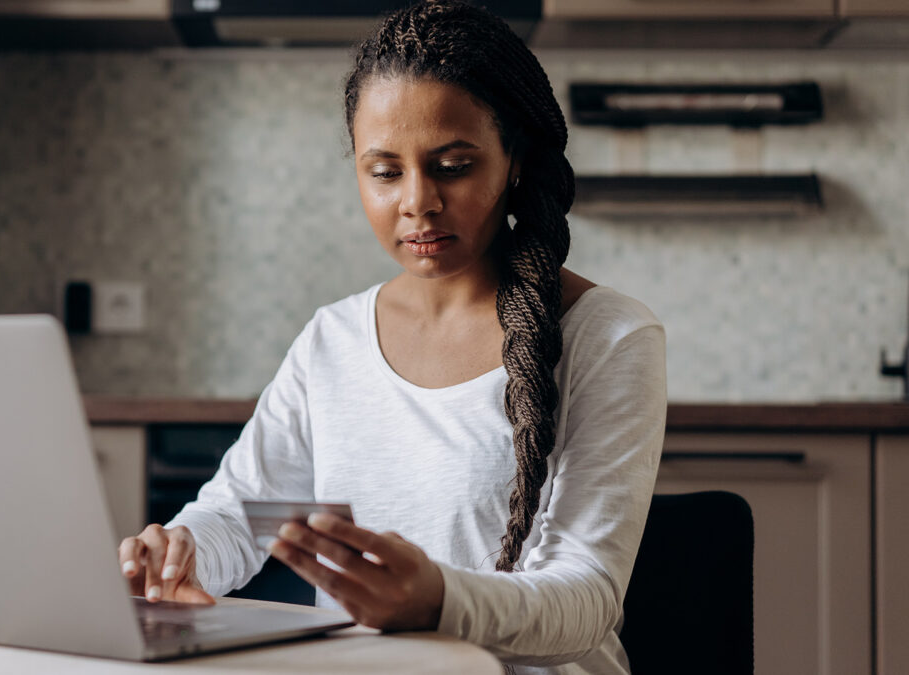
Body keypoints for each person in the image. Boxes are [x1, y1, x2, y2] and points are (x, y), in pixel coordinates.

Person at [117, 1, 667, 672]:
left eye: (454, 165)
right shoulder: (333, 340)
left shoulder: (606, 336)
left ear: (514, 160)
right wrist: (179, 550)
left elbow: (586, 599)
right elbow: (243, 514)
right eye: (385, 171)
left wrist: (437, 598)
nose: (417, 201)